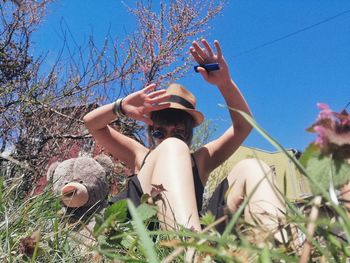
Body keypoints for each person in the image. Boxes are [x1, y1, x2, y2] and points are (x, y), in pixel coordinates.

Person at [83, 39, 286, 240]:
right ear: (151, 132)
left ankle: (286, 248)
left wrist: (225, 83)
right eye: (159, 133)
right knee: (172, 148)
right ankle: (190, 252)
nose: (168, 139)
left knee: (252, 167)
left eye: (178, 133)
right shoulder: (140, 155)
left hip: (201, 234)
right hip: (139, 236)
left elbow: (243, 126)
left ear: (188, 134)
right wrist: (120, 107)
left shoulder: (201, 161)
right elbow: (92, 124)